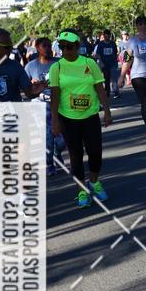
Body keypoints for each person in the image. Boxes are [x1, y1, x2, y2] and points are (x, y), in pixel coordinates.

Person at [49, 30, 111, 208]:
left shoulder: (89, 63)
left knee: (95, 153)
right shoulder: (57, 68)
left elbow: (100, 89)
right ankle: (82, 190)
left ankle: (94, 182)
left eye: (69, 46)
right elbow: (55, 96)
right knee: (75, 156)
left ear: (78, 46)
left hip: (90, 116)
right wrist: (54, 121)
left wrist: (107, 111)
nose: (65, 50)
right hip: (68, 118)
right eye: (62, 47)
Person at [0, 27, 34, 153]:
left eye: (10, 46)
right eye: (6, 46)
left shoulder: (15, 66)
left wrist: (37, 89)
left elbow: (29, 93)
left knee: (22, 154)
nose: (10, 50)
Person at [24, 37, 65, 175]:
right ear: (37, 47)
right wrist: (32, 85)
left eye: (49, 45)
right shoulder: (30, 66)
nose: (48, 48)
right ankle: (49, 163)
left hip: (59, 104)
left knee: (61, 140)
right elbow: (26, 90)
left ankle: (57, 153)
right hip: (39, 105)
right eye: (44, 46)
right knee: (46, 137)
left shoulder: (59, 63)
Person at [93, 29, 120, 100]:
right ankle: (107, 92)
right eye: (105, 35)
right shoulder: (101, 44)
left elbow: (115, 52)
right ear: (104, 36)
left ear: (110, 36)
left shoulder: (112, 43)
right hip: (105, 64)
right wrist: (101, 62)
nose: (107, 37)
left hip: (113, 63)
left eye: (108, 35)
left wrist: (116, 62)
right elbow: (98, 54)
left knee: (114, 78)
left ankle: (116, 92)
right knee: (107, 79)